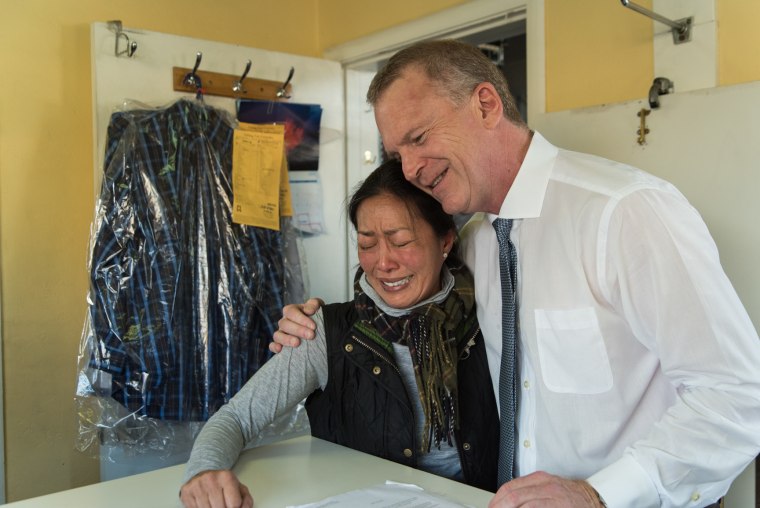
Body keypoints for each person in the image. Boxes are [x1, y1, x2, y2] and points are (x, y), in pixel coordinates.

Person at [272, 40, 760, 508]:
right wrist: (315, 323)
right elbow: (403, 296)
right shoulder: (475, 243)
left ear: (486, 104)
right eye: (398, 155)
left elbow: (738, 399)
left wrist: (601, 494)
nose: (413, 170)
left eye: (419, 139)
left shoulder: (625, 213)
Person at [179, 160, 499, 508]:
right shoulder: (324, 332)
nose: (383, 263)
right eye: (367, 243)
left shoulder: (490, 320)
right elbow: (236, 418)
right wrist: (203, 473)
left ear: (446, 241)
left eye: (401, 241)